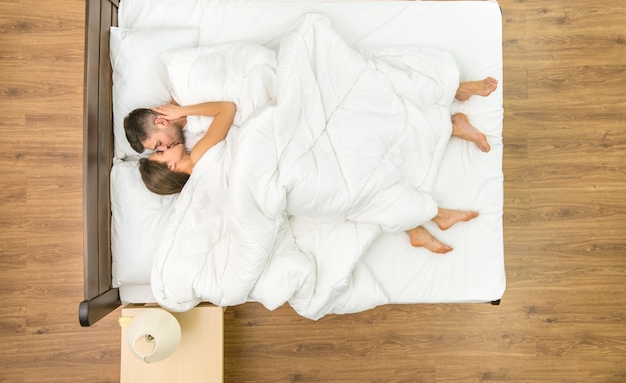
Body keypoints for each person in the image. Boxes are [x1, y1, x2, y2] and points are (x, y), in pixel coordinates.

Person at [134, 77, 498, 253]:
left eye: (156, 148)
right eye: (159, 154)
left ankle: (424, 218)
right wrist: (185, 111)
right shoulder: (198, 161)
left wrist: (181, 114)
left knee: (354, 185)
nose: (164, 148)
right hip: (277, 177)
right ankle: (425, 215)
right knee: (351, 187)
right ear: (172, 170)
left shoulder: (198, 161)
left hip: (276, 166)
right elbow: (226, 110)